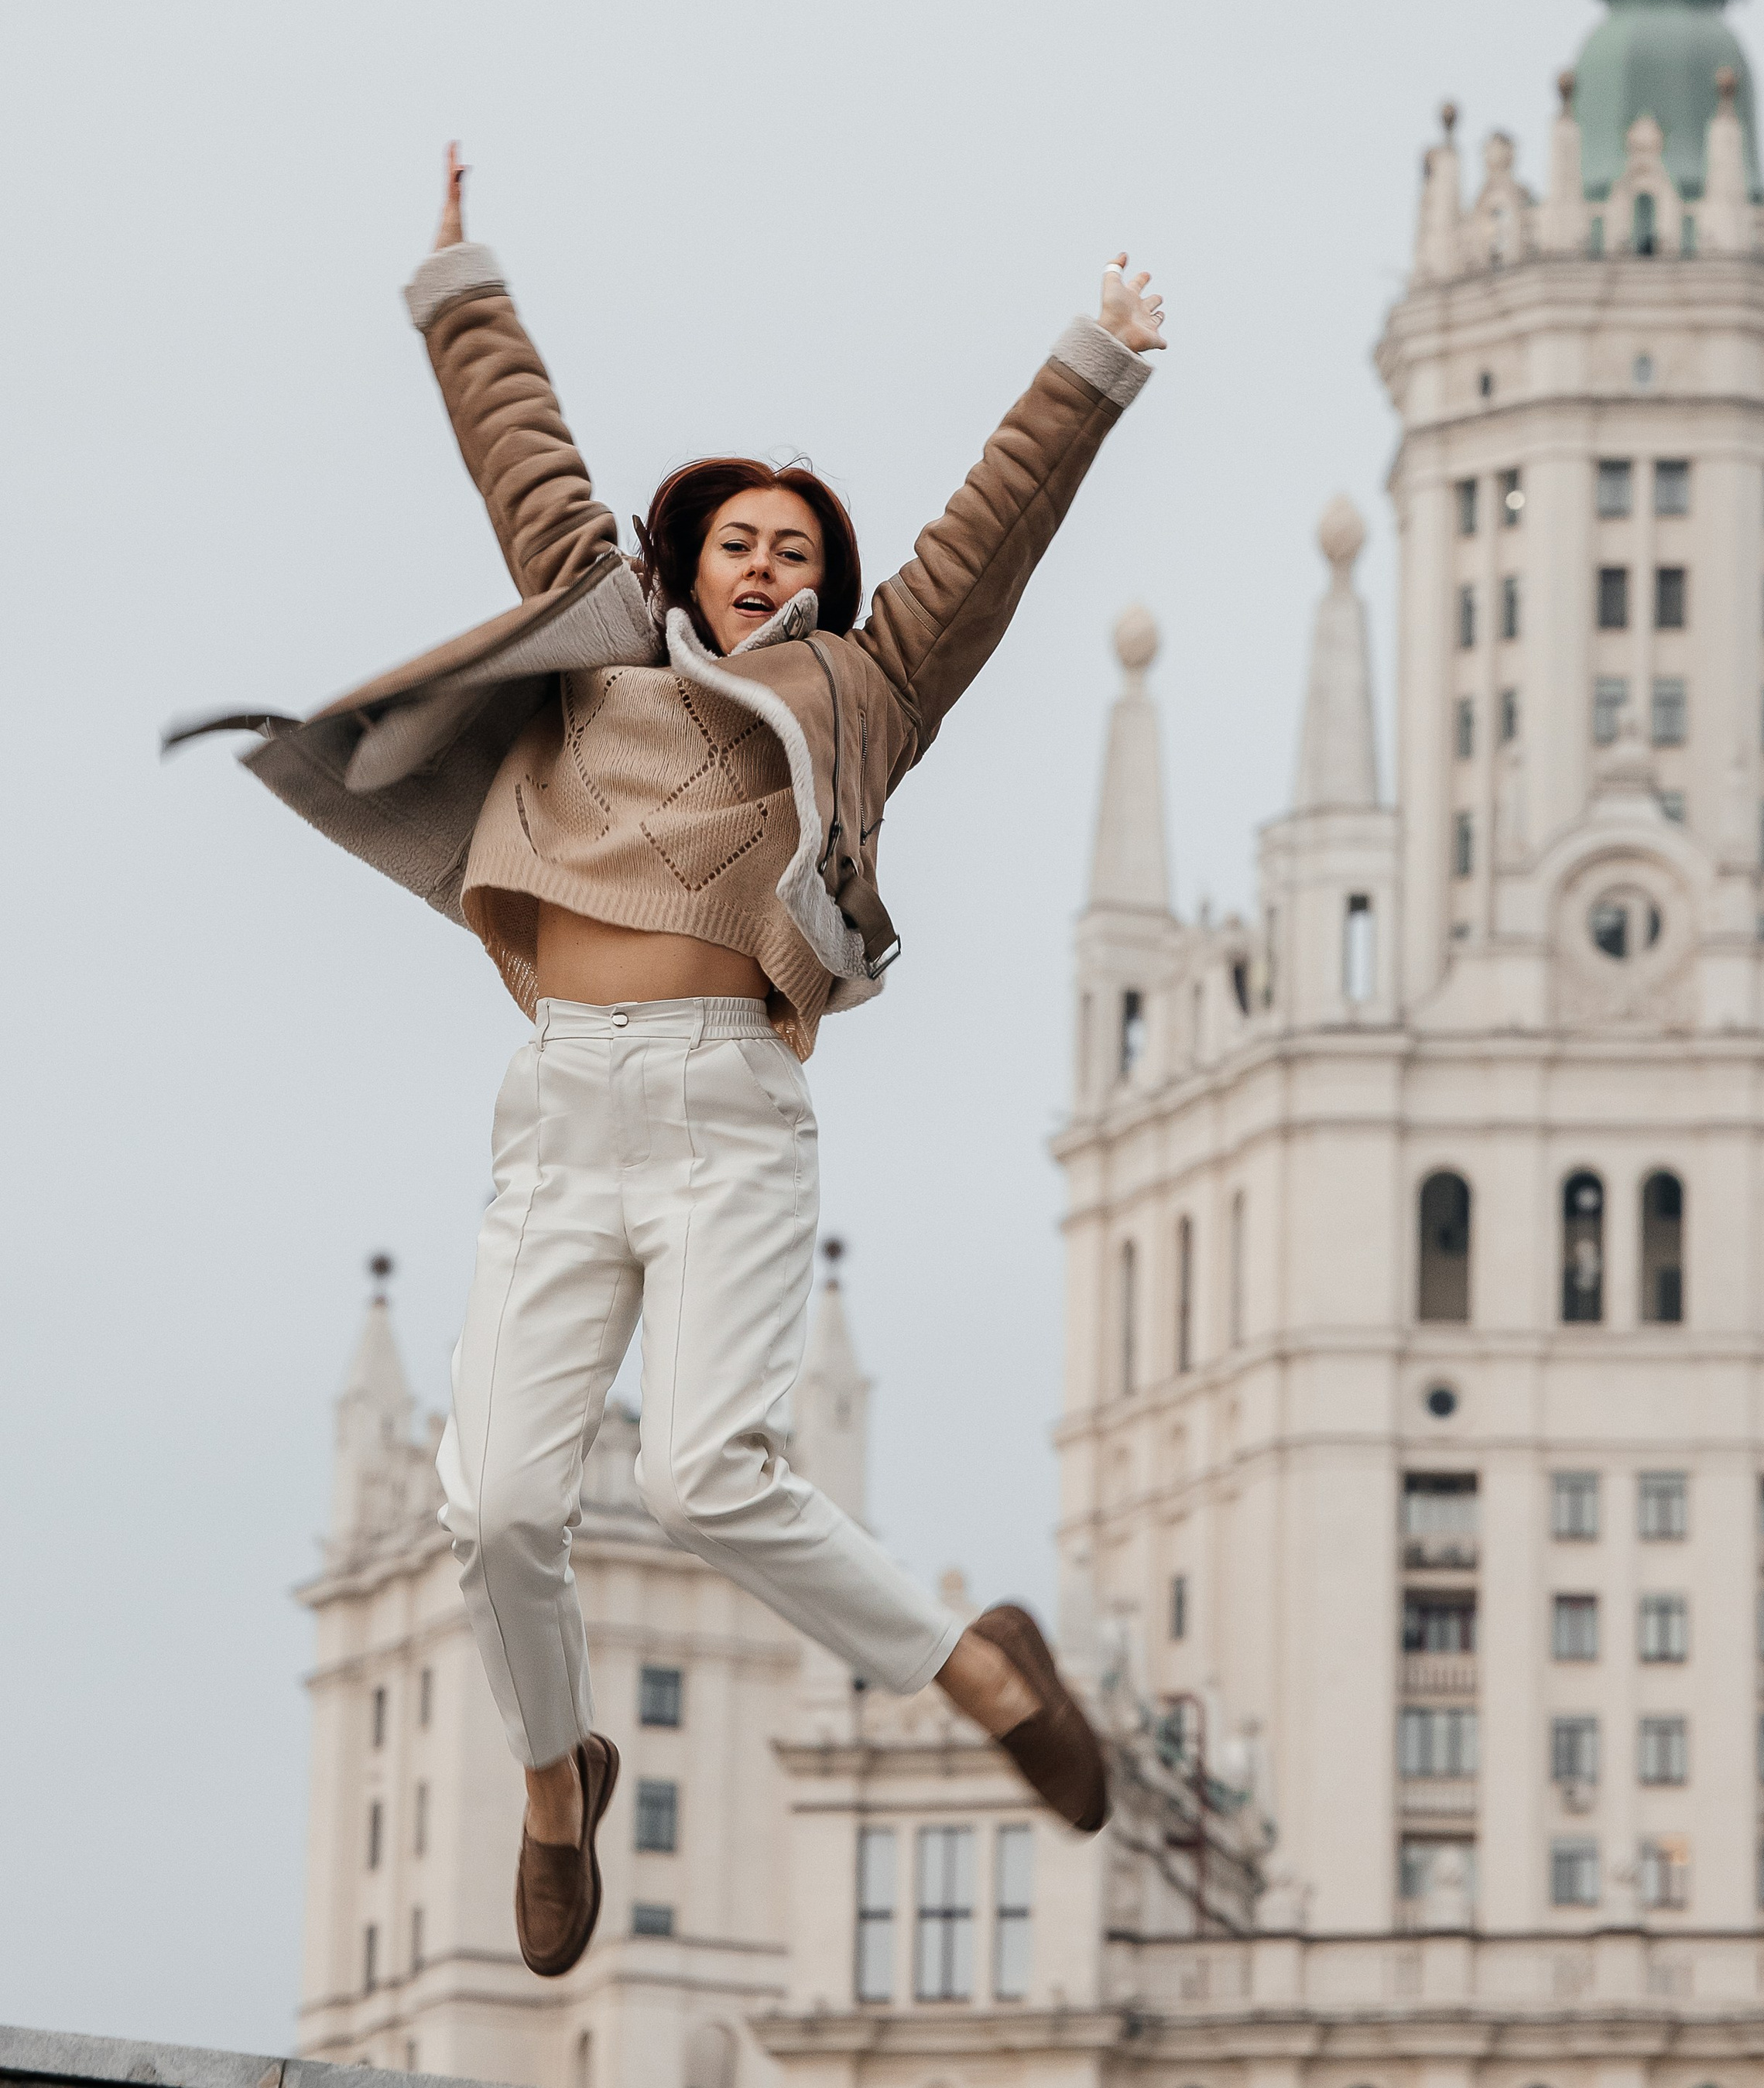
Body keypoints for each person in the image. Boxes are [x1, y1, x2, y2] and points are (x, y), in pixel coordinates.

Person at [176, 148, 1165, 1976]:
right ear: (686, 560)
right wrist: (462, 279)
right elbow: (526, 456)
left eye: (798, 550)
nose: (770, 565)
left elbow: (985, 533)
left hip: (725, 1108)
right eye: (740, 542)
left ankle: (974, 1672)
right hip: (558, 1112)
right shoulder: (594, 637)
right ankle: (560, 1791)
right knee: (493, 1506)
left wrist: (1090, 362)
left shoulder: (864, 695)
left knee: (713, 1474)